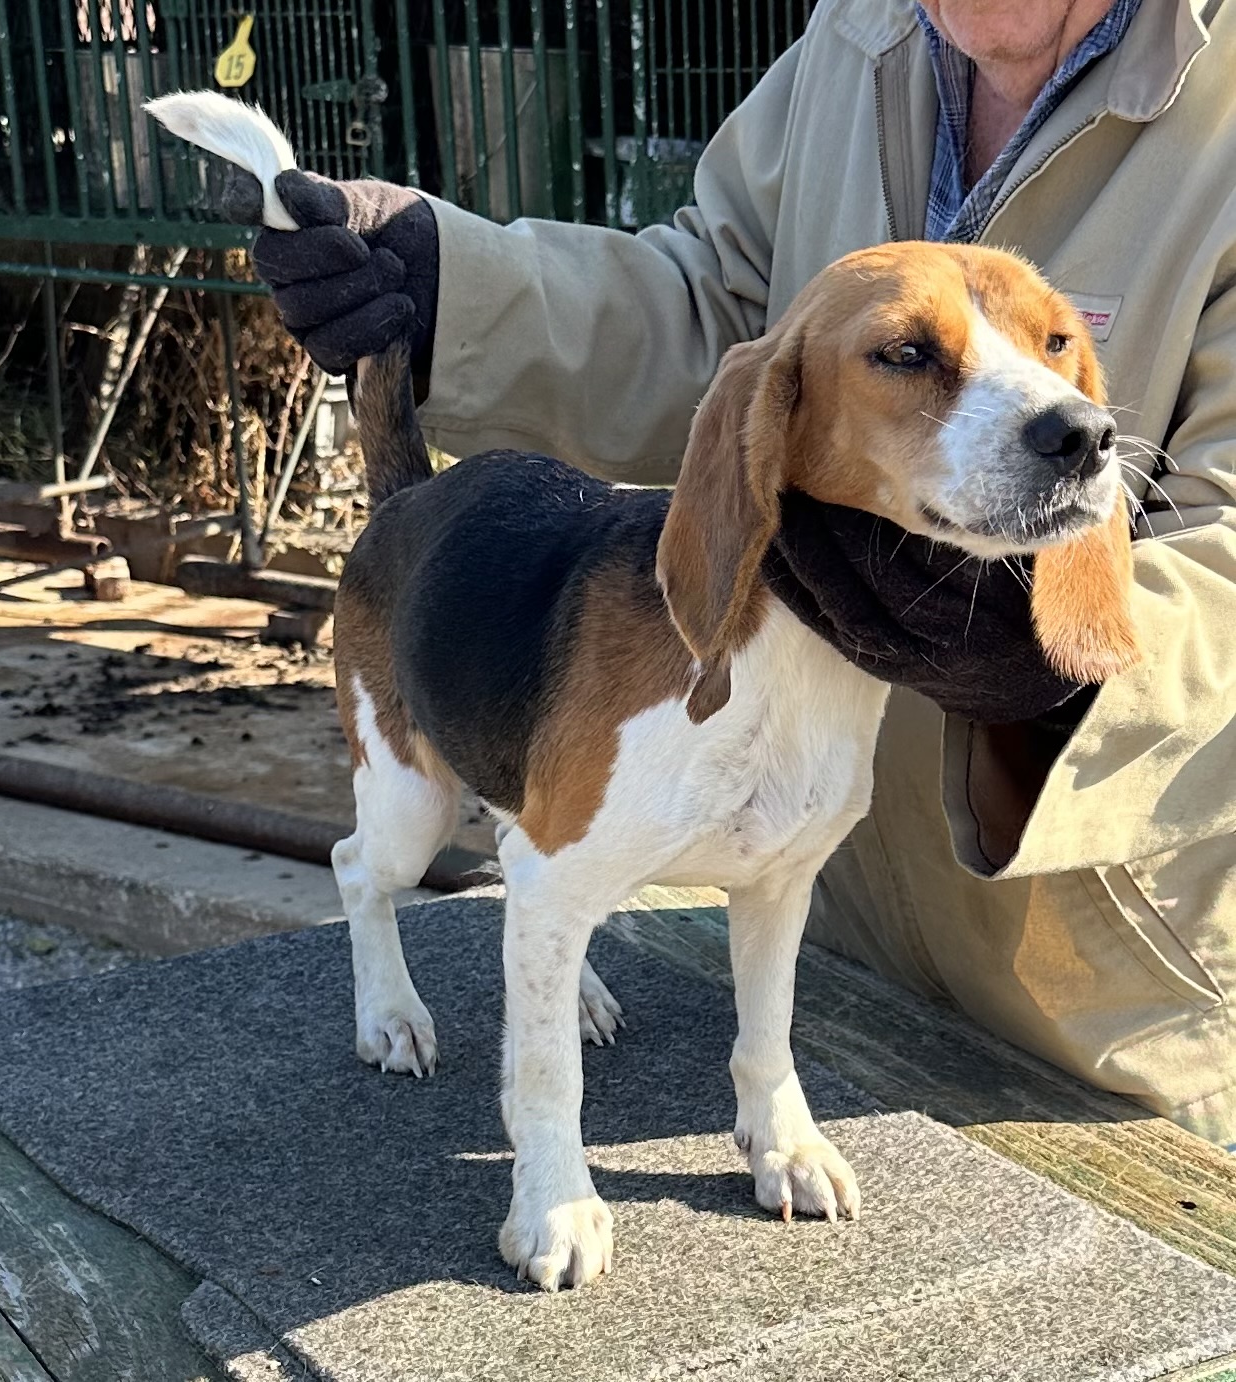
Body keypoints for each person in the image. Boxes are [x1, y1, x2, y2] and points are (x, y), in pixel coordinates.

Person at [230, 0, 1236, 1147]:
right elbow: (717, 307)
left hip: (1101, 998)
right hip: (827, 937)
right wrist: (462, 287)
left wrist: (1049, 656)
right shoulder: (854, 37)